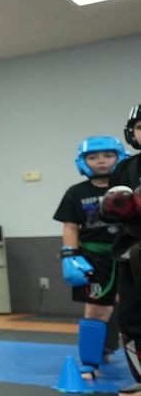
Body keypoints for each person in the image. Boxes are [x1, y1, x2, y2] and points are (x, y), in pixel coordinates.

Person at [54, 136, 127, 378]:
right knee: (95, 310)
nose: (101, 161)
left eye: (108, 156)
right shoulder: (76, 193)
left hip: (130, 253)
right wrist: (69, 256)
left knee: (133, 308)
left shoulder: (129, 188)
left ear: (119, 157)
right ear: (83, 161)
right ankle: (90, 363)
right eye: (93, 157)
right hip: (95, 257)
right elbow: (70, 226)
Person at [100, 106, 141, 396]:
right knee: (130, 316)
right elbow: (111, 211)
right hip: (132, 251)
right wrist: (117, 208)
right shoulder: (126, 168)